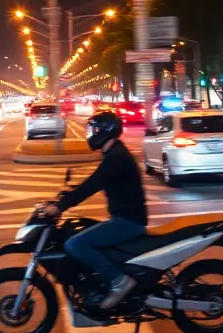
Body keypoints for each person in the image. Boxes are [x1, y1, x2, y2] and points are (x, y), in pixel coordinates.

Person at [42, 109, 147, 310]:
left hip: (128, 222)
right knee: (77, 234)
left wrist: (60, 206)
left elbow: (93, 184)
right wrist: (64, 196)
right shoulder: (113, 153)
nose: (91, 134)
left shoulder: (117, 157)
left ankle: (119, 281)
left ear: (106, 131)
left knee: (75, 244)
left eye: (95, 130)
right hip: (124, 218)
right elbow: (94, 181)